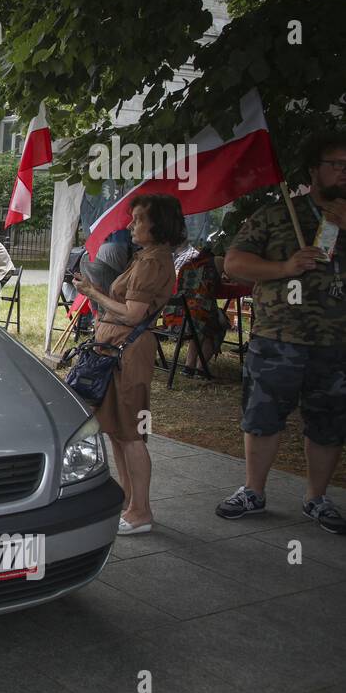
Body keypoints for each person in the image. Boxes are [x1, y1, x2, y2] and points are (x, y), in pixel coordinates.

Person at [215, 133, 346, 534]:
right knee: (263, 417)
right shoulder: (278, 214)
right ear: (314, 170)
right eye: (335, 164)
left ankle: (317, 498)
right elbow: (233, 263)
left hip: (336, 346)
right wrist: (285, 268)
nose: (343, 172)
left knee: (329, 423)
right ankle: (253, 491)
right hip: (278, 340)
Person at [73, 194, 186, 535]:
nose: (130, 225)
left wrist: (95, 295)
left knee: (131, 434)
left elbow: (133, 313)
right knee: (120, 432)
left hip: (128, 351)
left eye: (138, 219)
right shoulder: (148, 257)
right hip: (118, 348)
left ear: (158, 225)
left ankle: (141, 511)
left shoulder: (153, 262)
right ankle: (128, 501)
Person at [161, 236, 227, 377]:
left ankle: (189, 367)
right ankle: (199, 368)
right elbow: (223, 283)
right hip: (196, 314)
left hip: (173, 315)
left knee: (198, 324)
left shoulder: (186, 265)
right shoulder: (218, 261)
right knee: (218, 325)